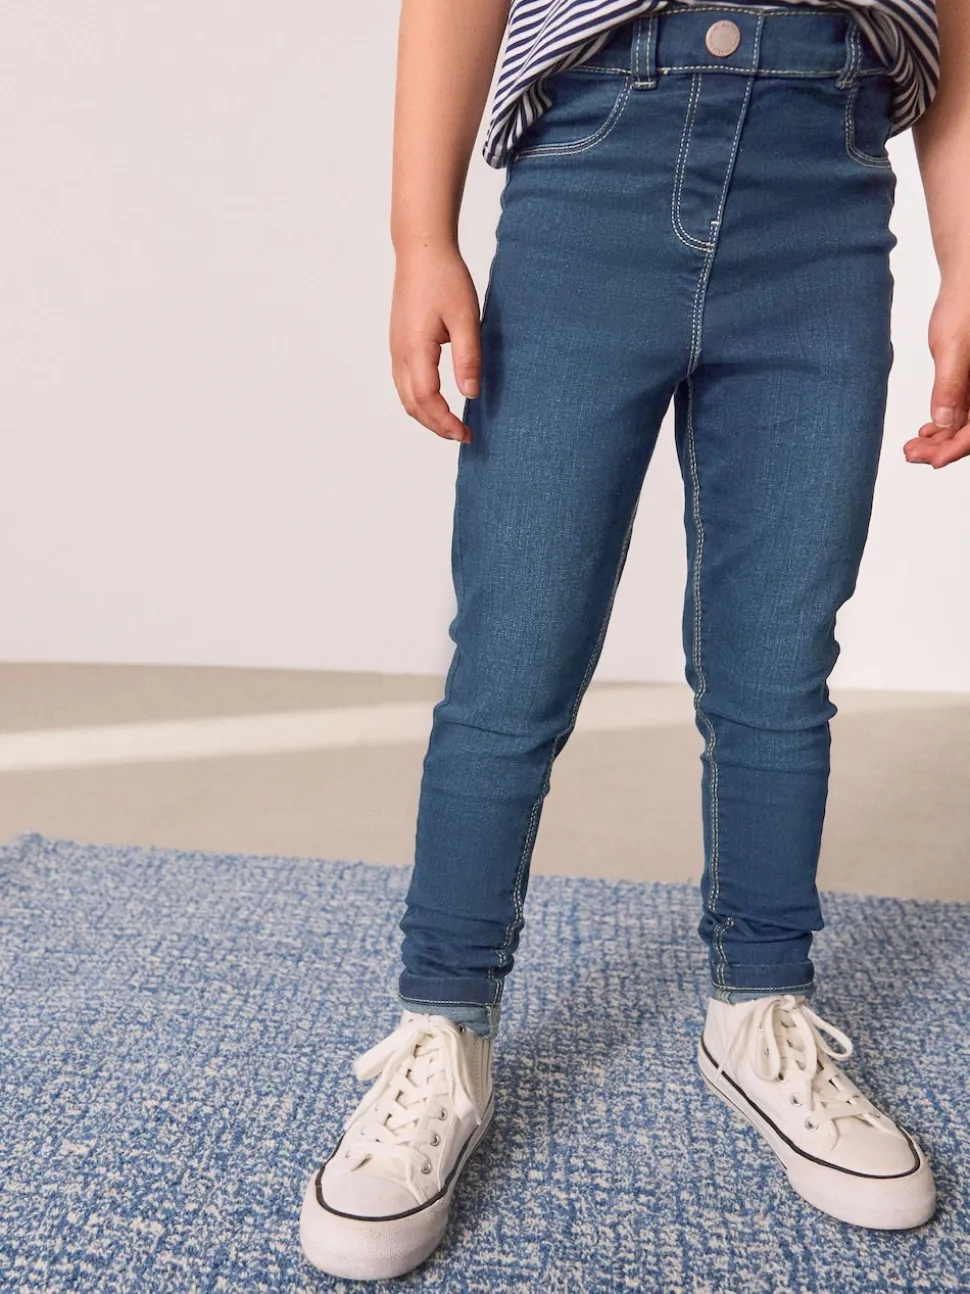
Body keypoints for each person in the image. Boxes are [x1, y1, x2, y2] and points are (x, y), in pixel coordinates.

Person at [300, 0, 967, 1280]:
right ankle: (443, 1028)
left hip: (826, 183)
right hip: (595, 162)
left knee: (778, 663)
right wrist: (418, 237)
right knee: (514, 660)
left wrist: (969, 258)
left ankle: (760, 1006)